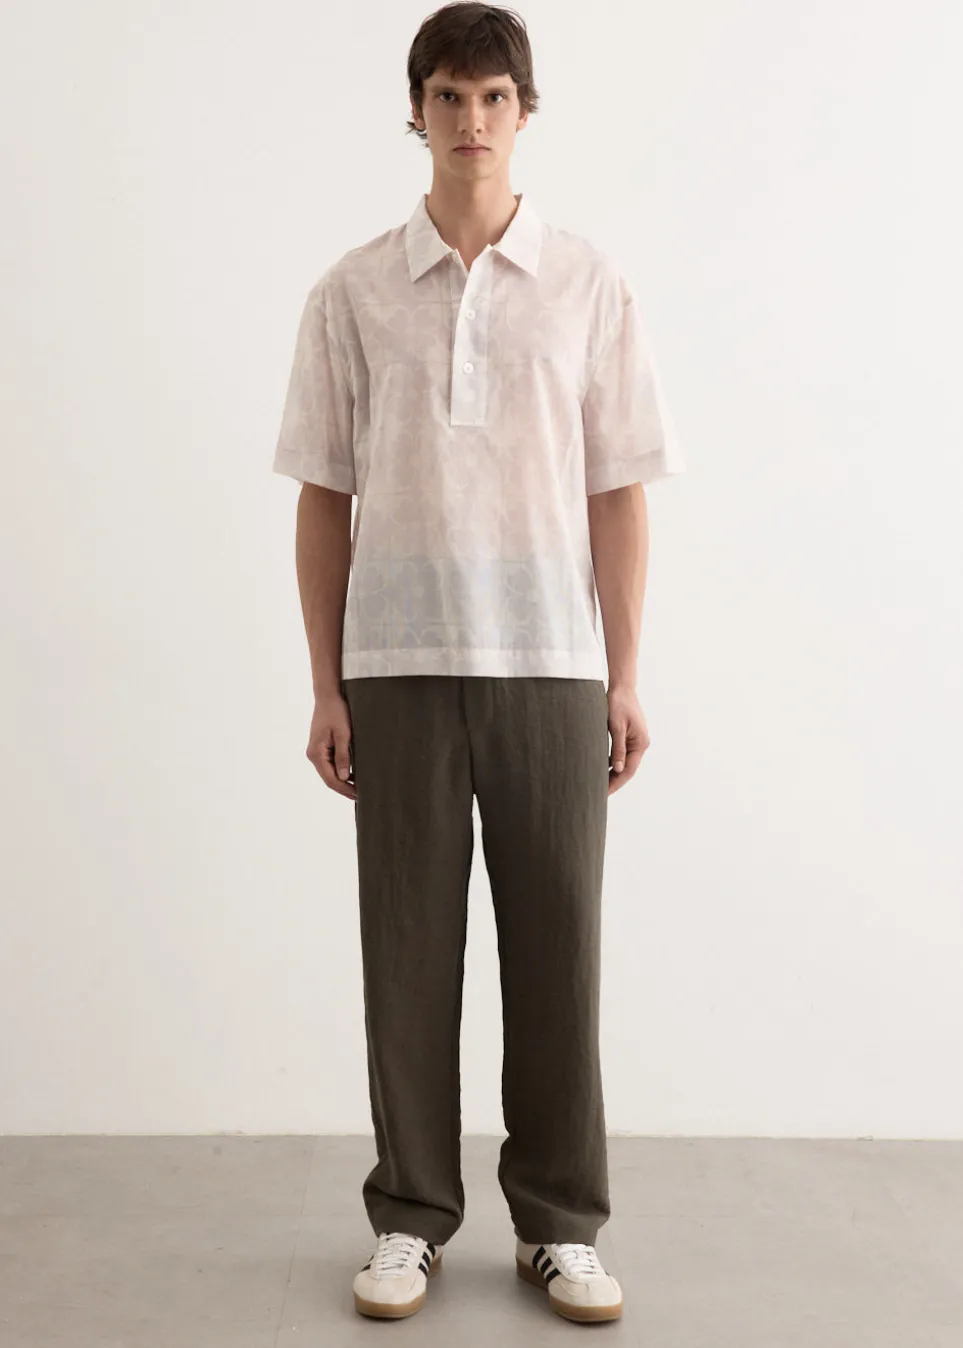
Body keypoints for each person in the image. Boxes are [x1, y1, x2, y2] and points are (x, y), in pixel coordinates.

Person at [272, 0, 684, 1325]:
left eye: (493, 97)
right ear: (416, 112)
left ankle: (560, 1223)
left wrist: (624, 674)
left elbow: (617, 491)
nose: (470, 119)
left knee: (559, 949)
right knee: (406, 950)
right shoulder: (350, 291)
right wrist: (325, 682)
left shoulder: (588, 284)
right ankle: (410, 1216)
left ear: (525, 112)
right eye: (446, 96)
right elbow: (323, 494)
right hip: (395, 664)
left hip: (551, 661)